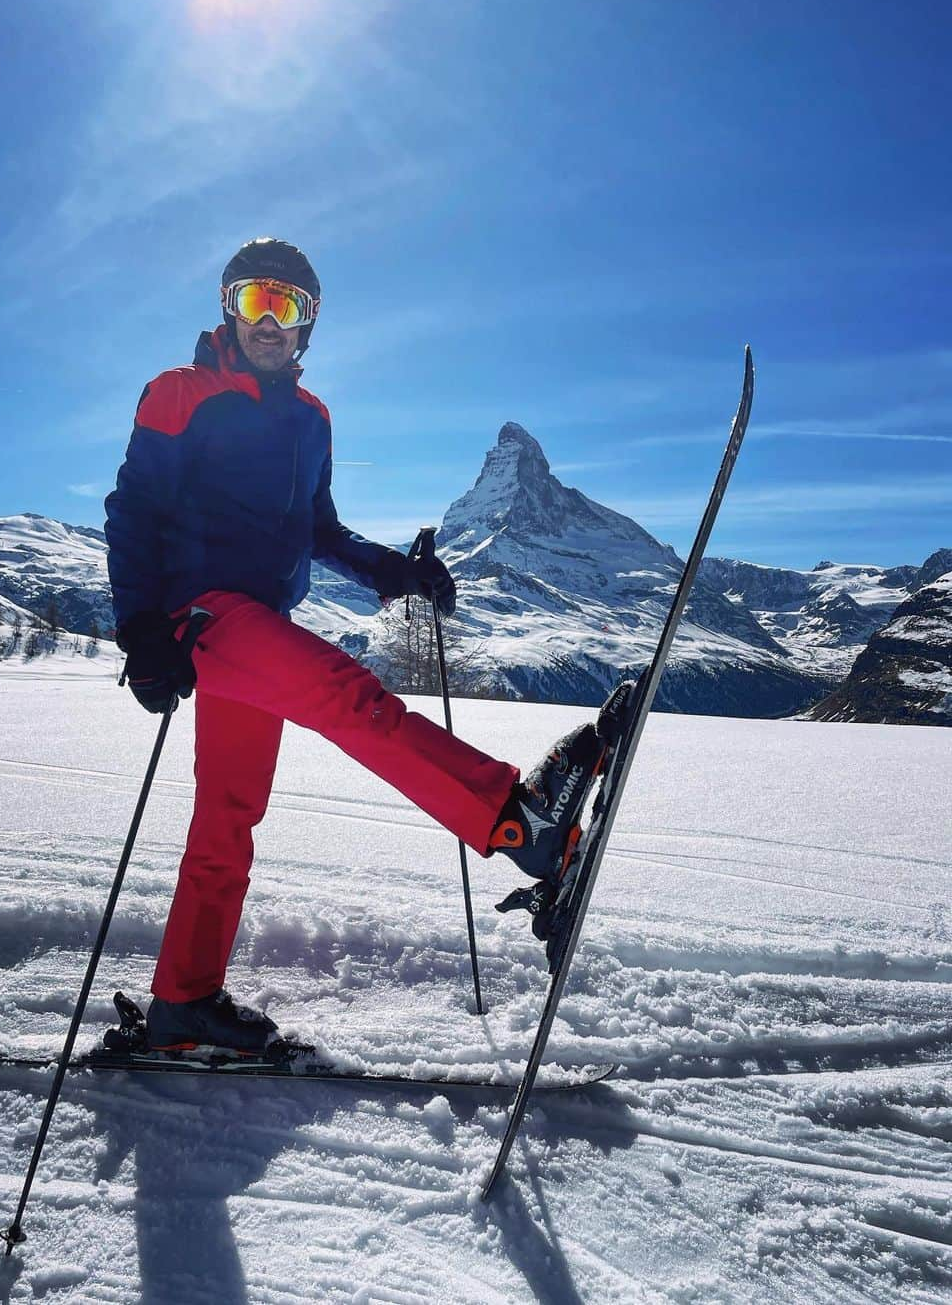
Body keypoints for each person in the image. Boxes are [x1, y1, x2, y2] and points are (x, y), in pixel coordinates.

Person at [105, 237, 614, 1054]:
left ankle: (181, 1006)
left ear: (309, 326)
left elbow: (318, 529)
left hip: (257, 622)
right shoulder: (180, 393)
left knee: (229, 815)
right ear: (226, 313)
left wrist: (396, 571)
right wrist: (139, 630)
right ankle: (523, 825)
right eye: (252, 302)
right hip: (200, 616)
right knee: (355, 702)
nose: (269, 322)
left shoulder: (312, 419)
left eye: (288, 307)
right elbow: (131, 512)